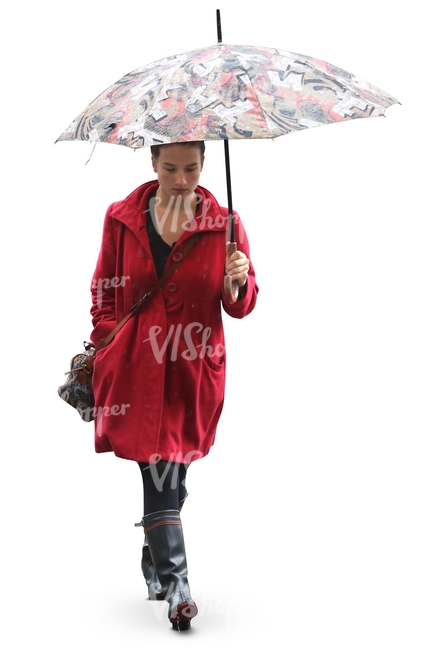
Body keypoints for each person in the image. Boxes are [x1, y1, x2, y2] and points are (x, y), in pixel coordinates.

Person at [89, 141, 258, 631]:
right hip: (136, 370)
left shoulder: (225, 225)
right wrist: (108, 343)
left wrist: (238, 279)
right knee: (158, 470)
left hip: (192, 369)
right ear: (152, 163)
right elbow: (103, 287)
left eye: (190, 168)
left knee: (175, 474)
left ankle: (152, 547)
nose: (181, 179)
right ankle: (178, 587)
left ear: (205, 163)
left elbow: (241, 306)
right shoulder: (121, 219)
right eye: (170, 168)